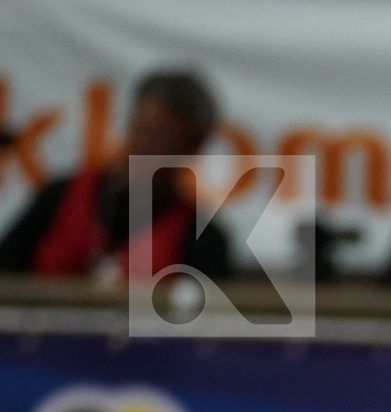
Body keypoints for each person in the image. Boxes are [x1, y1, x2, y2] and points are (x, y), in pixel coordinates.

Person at [0, 69, 229, 280]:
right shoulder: (60, 197)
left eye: (160, 137)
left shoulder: (201, 239)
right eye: (139, 128)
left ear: (191, 149)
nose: (141, 145)